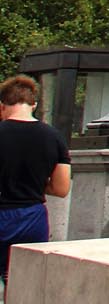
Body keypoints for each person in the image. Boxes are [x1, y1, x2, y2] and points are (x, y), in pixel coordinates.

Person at [0, 75, 70, 291]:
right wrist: (38, 184)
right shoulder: (54, 137)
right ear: (34, 104)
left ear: (2, 106)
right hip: (32, 217)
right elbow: (61, 188)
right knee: (21, 284)